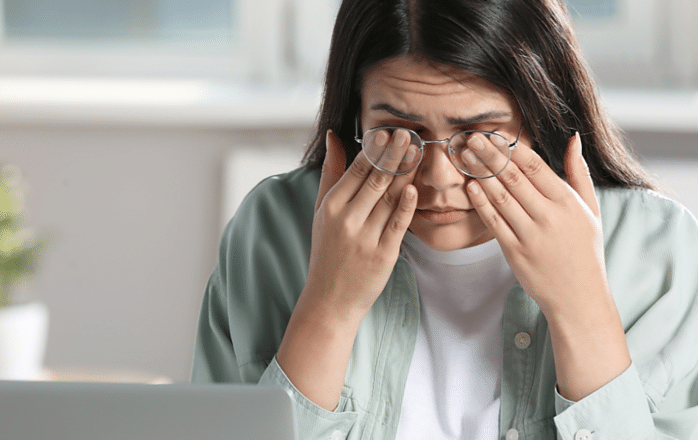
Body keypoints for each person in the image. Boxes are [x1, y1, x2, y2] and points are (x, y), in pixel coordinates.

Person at [191, 0, 698, 438]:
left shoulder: (659, 250)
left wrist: (582, 310)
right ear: (351, 120)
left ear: (544, 118)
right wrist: (328, 306)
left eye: (481, 138)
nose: (438, 177)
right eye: (396, 132)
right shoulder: (271, 230)